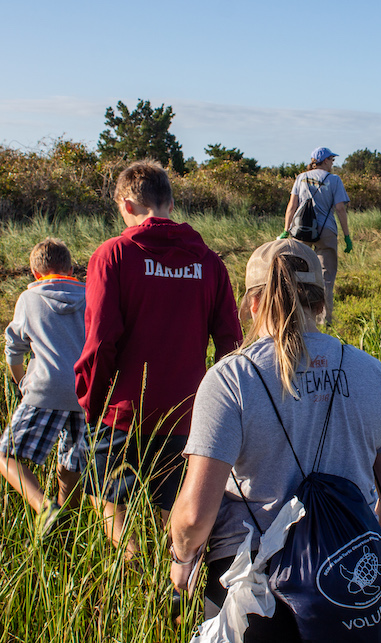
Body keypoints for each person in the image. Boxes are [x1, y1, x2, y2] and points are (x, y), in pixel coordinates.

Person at [169, 239, 381, 638]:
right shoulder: (372, 372)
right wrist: (361, 563)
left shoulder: (231, 379)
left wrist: (181, 558)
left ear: (252, 303)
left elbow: (195, 516)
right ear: (319, 301)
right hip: (345, 585)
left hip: (253, 588)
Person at [75, 160, 243, 559]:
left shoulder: (112, 255)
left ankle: (134, 578)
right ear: (169, 201)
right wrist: (223, 412)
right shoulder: (210, 263)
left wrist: (91, 404)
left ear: (128, 204)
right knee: (175, 517)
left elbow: (100, 341)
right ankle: (172, 592)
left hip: (121, 413)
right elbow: (231, 346)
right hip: (188, 414)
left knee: (110, 503)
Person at [0, 238, 87, 537]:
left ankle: (45, 508)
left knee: (5, 456)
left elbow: (14, 348)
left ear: (35, 272)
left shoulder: (29, 298)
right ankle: (66, 525)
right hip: (85, 391)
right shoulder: (90, 295)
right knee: (72, 461)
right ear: (71, 268)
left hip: (45, 388)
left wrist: (21, 380)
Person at [280, 147, 353, 326]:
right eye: (331, 160)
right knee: (326, 277)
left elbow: (291, 206)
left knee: (298, 274)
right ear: (325, 160)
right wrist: (347, 236)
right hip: (327, 231)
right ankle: (324, 321)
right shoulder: (334, 180)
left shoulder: (301, 178)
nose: (332, 164)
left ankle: (297, 317)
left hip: (302, 230)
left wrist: (286, 230)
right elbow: (340, 208)